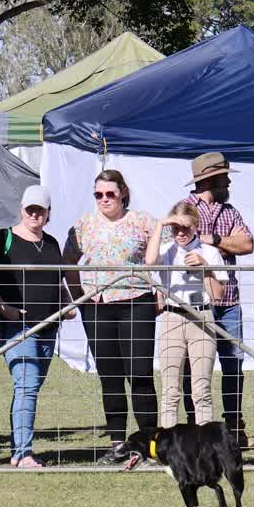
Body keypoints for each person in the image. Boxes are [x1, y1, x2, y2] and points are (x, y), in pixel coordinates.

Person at [62, 169, 158, 463]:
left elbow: (167, 250)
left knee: (140, 375)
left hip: (136, 303)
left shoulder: (143, 222)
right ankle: (117, 443)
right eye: (98, 195)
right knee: (110, 377)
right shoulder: (84, 225)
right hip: (98, 307)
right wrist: (81, 297)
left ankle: (149, 445)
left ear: (123, 193)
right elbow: (68, 262)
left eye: (110, 194)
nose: (104, 199)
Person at [0, 185, 74, 468]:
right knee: (27, 382)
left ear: (48, 213)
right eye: (30, 209)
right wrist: (3, 308)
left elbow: (58, 281)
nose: (35, 214)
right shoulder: (4, 239)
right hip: (15, 325)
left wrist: (66, 304)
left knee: (29, 385)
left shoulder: (52, 243)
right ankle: (23, 453)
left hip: (49, 325)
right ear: (22, 209)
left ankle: (18, 448)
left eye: (41, 210)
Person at [178, 152, 254, 441]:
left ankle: (234, 426)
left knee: (233, 365)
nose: (229, 181)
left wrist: (215, 241)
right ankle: (194, 426)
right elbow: (183, 243)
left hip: (229, 300)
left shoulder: (230, 210)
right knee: (194, 368)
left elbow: (247, 243)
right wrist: (221, 244)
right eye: (225, 176)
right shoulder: (185, 209)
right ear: (210, 179)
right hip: (196, 300)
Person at [146, 201, 230, 430]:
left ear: (196, 226)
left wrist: (205, 268)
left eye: (186, 228)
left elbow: (218, 295)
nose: (181, 233)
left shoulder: (210, 252)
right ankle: (169, 448)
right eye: (176, 228)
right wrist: (162, 224)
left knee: (201, 388)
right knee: (170, 390)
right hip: (172, 317)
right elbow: (149, 262)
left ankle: (204, 448)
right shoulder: (166, 249)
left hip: (202, 317)